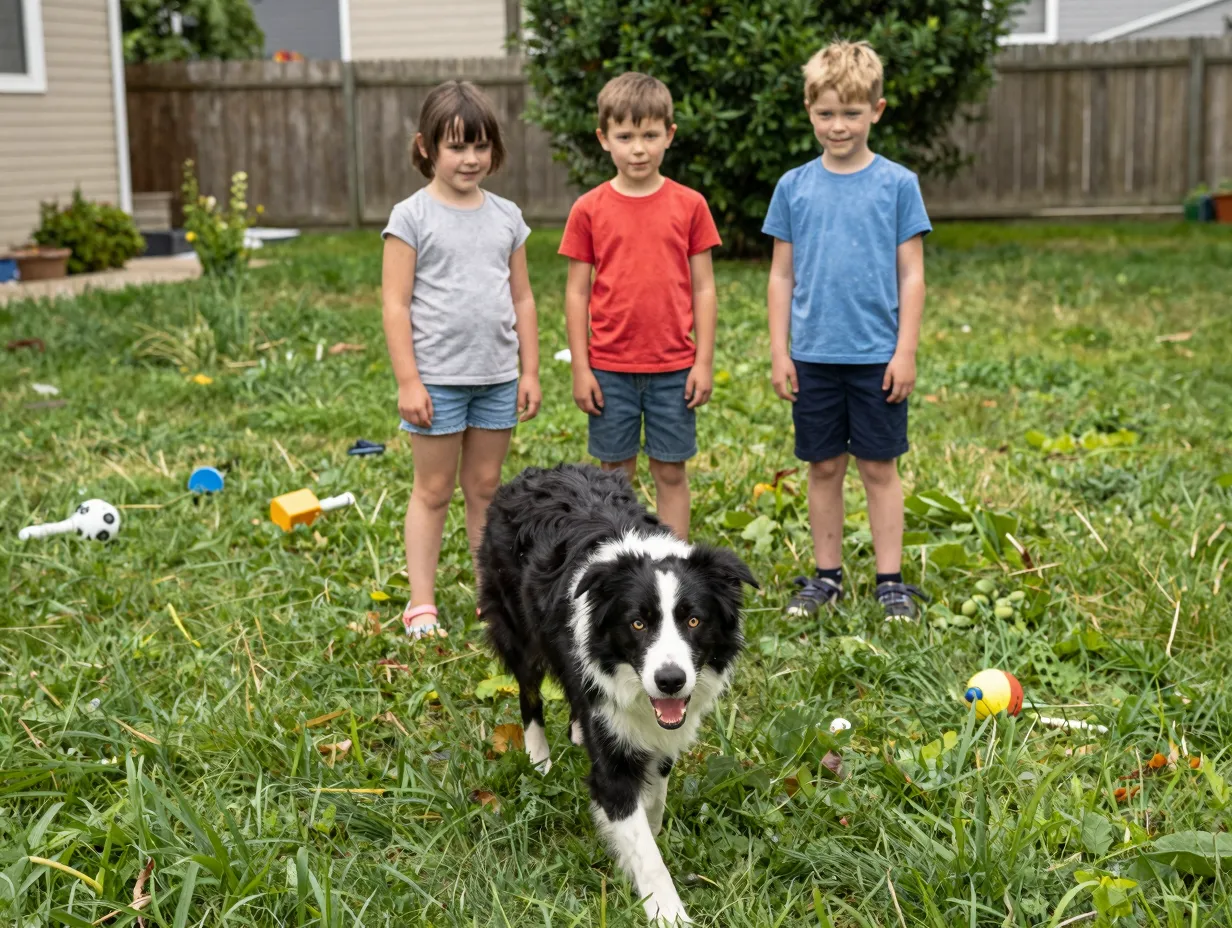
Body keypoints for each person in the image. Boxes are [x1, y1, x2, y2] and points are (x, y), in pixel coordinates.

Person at [762, 40, 932, 620]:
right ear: (810, 112)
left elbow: (912, 276)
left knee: (879, 468)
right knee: (825, 467)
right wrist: (780, 351)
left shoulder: (898, 185)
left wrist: (903, 351)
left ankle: (891, 581)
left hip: (876, 356)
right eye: (827, 114)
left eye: (852, 113)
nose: (839, 126)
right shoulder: (794, 187)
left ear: (876, 111)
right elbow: (780, 276)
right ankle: (827, 576)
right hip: (812, 356)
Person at [381, 80, 541, 640]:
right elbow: (395, 305)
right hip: (437, 384)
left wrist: (530, 371)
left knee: (486, 488)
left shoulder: (507, 217)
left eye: (480, 146)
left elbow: (522, 297)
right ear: (426, 147)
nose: (470, 159)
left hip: (496, 378)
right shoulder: (411, 217)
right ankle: (421, 603)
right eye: (456, 146)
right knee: (432, 491)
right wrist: (409, 381)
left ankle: (489, 595)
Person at [559, 72, 721, 540]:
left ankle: (673, 560)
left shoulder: (690, 206)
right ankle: (621, 561)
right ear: (603, 139)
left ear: (669, 135)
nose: (638, 148)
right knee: (614, 475)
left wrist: (703, 362)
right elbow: (576, 292)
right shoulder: (588, 209)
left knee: (671, 472)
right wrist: (581, 369)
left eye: (650, 135)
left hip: (674, 368)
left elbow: (705, 288)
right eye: (625, 136)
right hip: (609, 369)